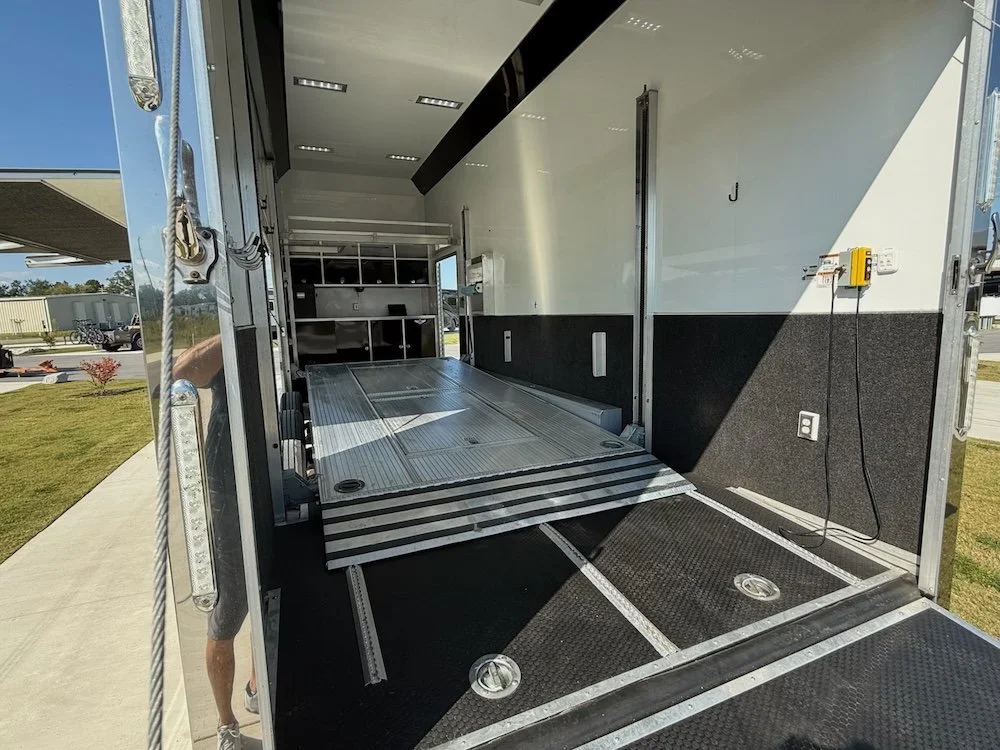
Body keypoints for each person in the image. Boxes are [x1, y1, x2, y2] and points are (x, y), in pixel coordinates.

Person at [175, 334, 258, 750]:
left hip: (270, 472)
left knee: (271, 592)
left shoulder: (272, 331)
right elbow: (176, 377)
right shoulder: (226, 341)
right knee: (228, 608)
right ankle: (226, 724)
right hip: (229, 485)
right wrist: (232, 328)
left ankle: (257, 686)